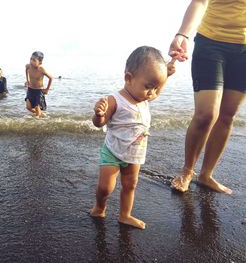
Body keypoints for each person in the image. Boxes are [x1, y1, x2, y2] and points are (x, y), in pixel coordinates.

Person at [90, 46, 176, 229]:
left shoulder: (144, 97)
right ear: (129, 78)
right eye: (149, 87)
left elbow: (156, 88)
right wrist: (99, 114)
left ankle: (125, 215)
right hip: (113, 152)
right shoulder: (115, 100)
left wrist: (166, 75)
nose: (153, 93)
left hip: (135, 154)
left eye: (156, 88)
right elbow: (100, 123)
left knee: (130, 185)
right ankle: (99, 207)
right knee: (106, 187)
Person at [168, 0, 246, 195]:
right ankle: (187, 171)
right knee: (206, 114)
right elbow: (200, 2)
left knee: (227, 115)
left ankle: (206, 175)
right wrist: (182, 34)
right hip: (211, 43)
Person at [25, 51, 53, 117]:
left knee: (37, 108)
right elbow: (26, 70)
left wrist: (47, 89)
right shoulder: (28, 66)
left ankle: (37, 119)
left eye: (34, 60)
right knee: (28, 107)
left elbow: (51, 78)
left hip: (38, 91)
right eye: (31, 59)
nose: (31, 61)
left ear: (40, 62)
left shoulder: (41, 69)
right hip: (30, 89)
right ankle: (40, 114)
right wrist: (27, 80)